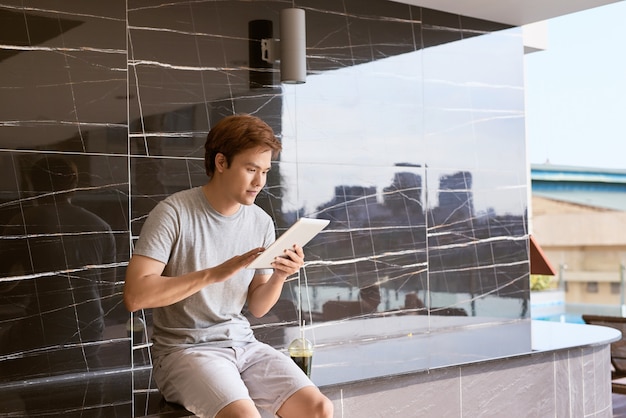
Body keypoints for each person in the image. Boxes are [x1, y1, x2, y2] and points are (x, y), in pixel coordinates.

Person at [123, 114, 333, 418]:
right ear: (221, 163)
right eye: (251, 169)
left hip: (243, 344)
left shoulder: (260, 221)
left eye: (264, 171)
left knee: (318, 409)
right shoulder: (173, 213)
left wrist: (280, 275)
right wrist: (213, 274)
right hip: (185, 351)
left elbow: (259, 307)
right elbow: (136, 296)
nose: (259, 182)